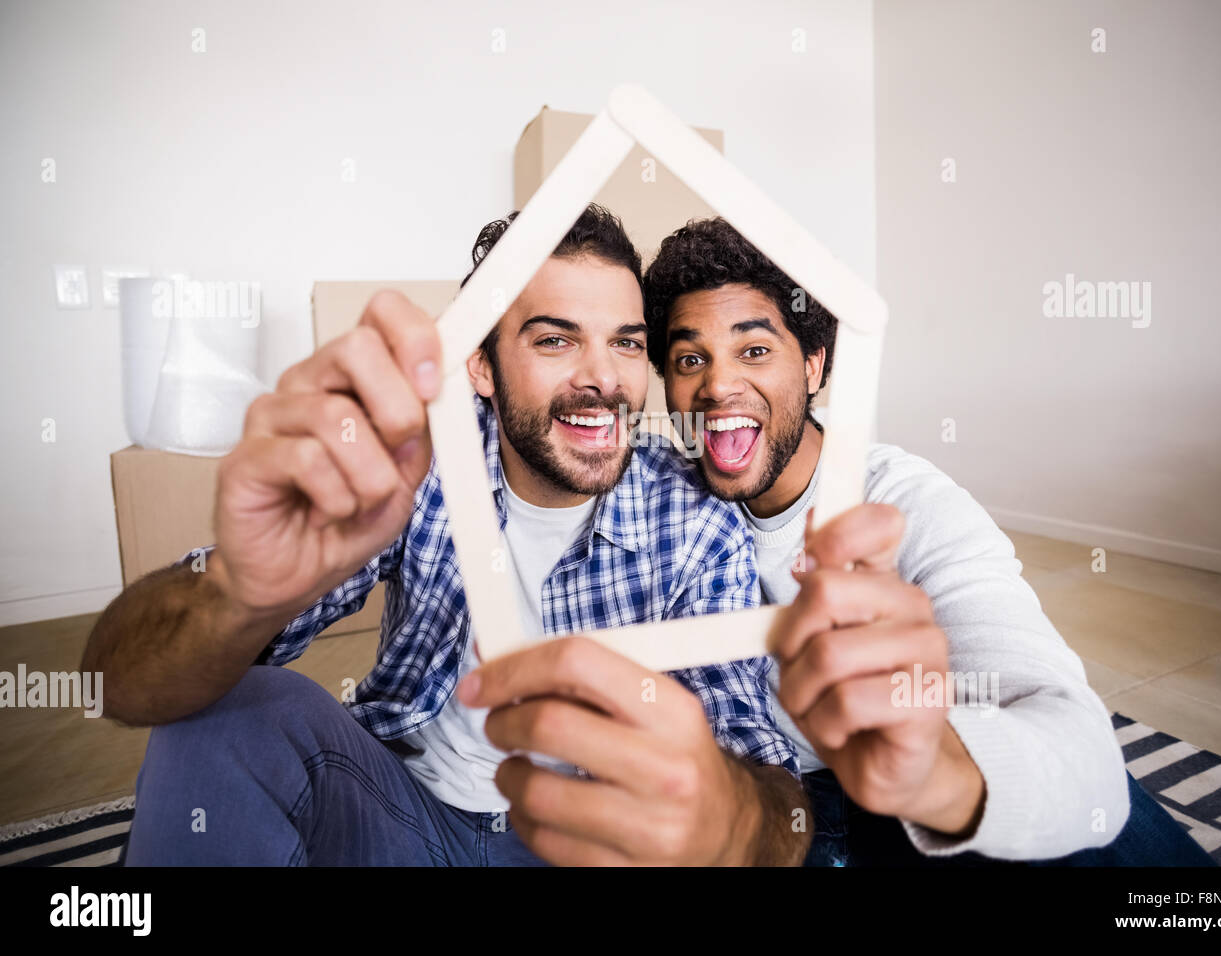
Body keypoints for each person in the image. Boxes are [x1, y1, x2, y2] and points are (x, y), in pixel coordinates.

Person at [84, 204, 810, 866]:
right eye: (555, 339)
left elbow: (772, 786)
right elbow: (116, 683)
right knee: (227, 715)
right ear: (480, 365)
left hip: (578, 845)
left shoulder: (693, 517)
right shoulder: (418, 463)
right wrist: (241, 592)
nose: (603, 378)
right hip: (403, 810)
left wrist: (735, 817)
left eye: (624, 343)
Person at [642, 217, 1216, 866]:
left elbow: (1079, 754)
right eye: (691, 358)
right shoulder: (661, 510)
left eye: (754, 350)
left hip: (910, 785)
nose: (717, 385)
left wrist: (936, 772)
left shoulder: (905, 500)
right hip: (777, 808)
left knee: (1064, 829)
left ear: (813, 363)